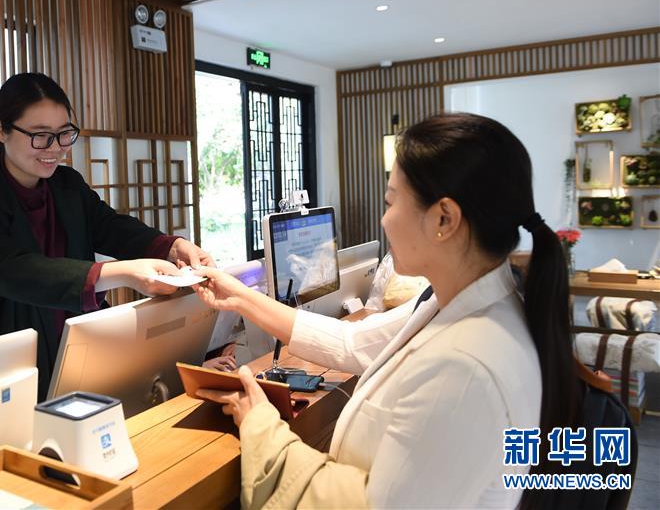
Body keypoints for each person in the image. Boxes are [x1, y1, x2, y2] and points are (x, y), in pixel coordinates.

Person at [192, 113, 580, 508]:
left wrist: (260, 424)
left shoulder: (465, 367)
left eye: (391, 201)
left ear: (443, 218)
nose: (384, 218)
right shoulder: (455, 302)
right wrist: (239, 296)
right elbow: (352, 342)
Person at [0, 73, 214, 400]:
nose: (55, 148)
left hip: (78, 346)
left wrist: (170, 246)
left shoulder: (67, 184)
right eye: (40, 136)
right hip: (8, 362)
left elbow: (109, 226)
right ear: (1, 130)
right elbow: (14, 271)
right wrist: (120, 273)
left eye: (64, 134)